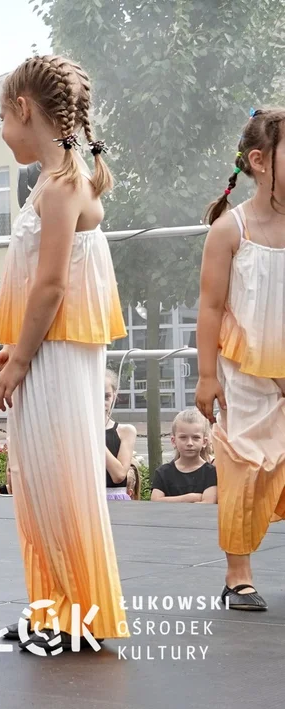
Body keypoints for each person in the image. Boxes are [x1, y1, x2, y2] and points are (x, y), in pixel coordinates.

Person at [0, 55, 128, 647]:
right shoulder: (58, 181)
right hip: (47, 351)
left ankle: (76, 612)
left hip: (56, 360)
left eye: (1, 116)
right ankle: (53, 607)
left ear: (24, 109)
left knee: (59, 478)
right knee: (41, 480)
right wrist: (13, 349)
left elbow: (51, 285)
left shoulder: (65, 186)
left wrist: (18, 360)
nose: (2, 129)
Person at [195, 107, 285, 611]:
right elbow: (210, 307)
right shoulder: (232, 231)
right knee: (245, 470)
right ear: (260, 161)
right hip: (246, 376)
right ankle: (238, 575)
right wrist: (207, 375)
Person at [151, 409, 218, 503]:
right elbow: (155, 501)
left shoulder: (211, 473)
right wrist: (191, 498)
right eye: (183, 437)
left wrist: (168, 501)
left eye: (196, 438)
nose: (189, 443)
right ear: (174, 441)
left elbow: (207, 503)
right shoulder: (163, 472)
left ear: (204, 442)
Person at [103, 370, 138, 501]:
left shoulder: (125, 431)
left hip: (114, 498)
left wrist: (95, 439)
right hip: (85, 499)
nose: (102, 402)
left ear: (114, 396)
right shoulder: (76, 431)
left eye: (106, 397)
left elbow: (118, 475)